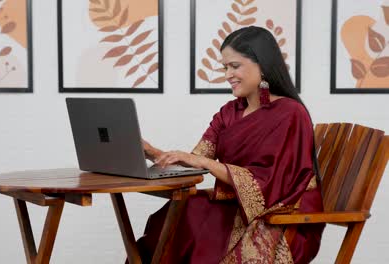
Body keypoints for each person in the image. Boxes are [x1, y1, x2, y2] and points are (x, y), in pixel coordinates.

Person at [138, 26, 325, 264]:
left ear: (263, 65)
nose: (227, 74)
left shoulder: (290, 113)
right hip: (239, 208)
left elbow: (270, 184)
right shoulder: (229, 112)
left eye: (235, 66)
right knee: (180, 213)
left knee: (193, 216)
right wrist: (152, 152)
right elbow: (193, 161)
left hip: (283, 216)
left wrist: (203, 162)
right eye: (225, 67)